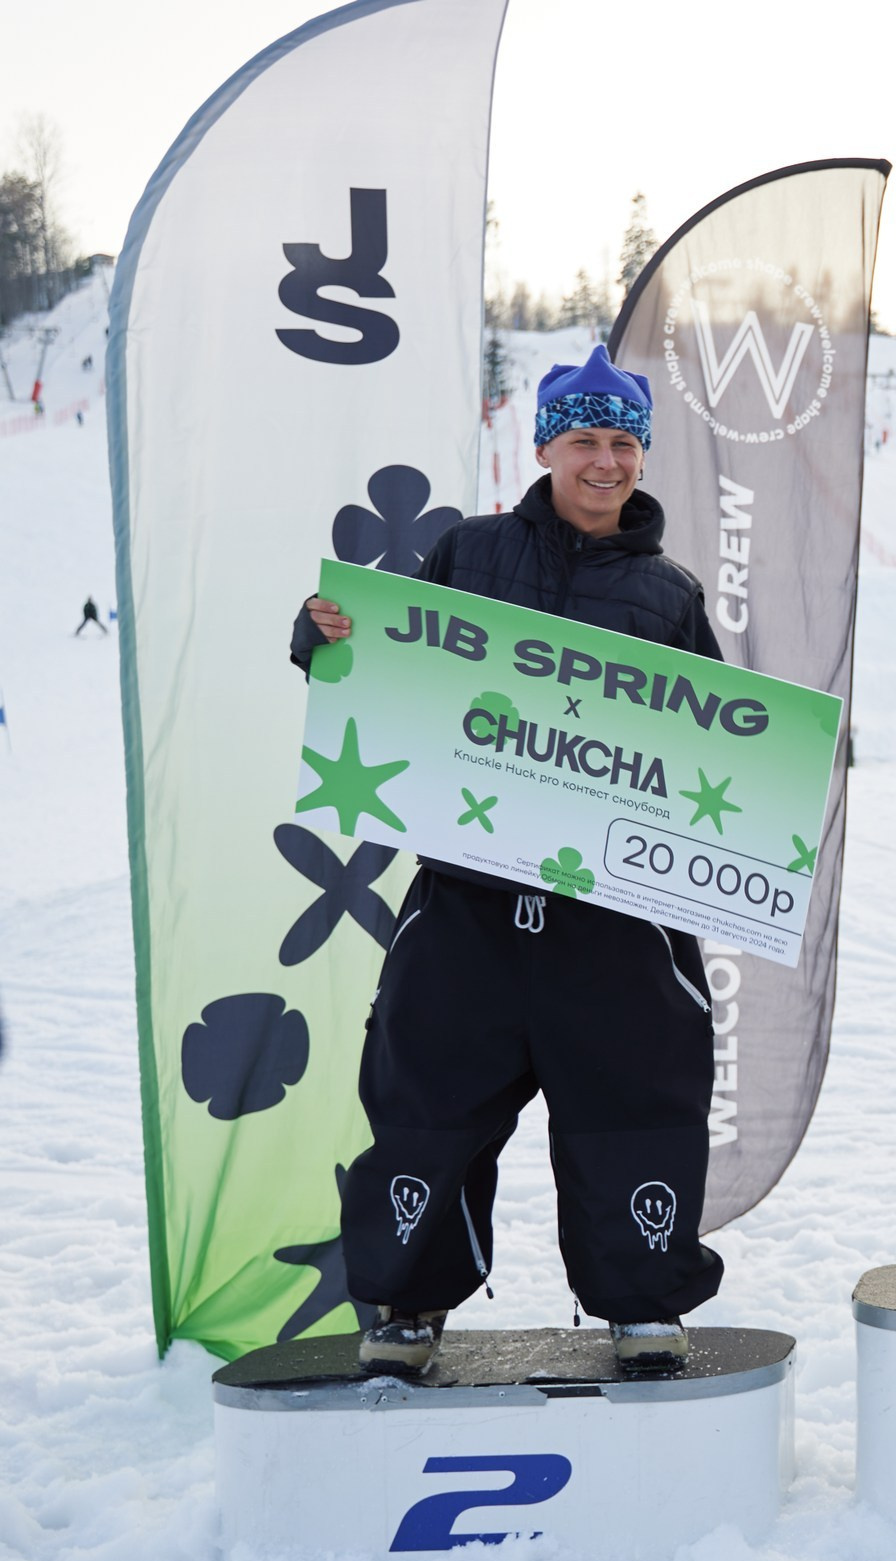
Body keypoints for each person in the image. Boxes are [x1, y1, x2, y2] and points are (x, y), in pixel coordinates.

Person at [292, 346, 726, 1378]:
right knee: (424, 1104)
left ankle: (640, 1306)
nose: (606, 461)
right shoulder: (469, 554)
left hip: (613, 923)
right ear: (543, 446)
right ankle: (404, 1306)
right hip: (470, 905)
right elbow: (380, 662)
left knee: (635, 1108)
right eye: (585, 439)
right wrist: (323, 639)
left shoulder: (668, 595)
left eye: (624, 442)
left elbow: (719, 752)